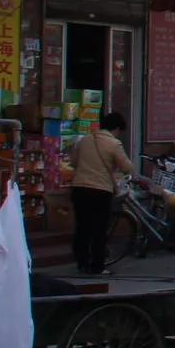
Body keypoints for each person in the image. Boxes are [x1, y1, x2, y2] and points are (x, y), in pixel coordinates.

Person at [67, 113, 134, 275]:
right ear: (116, 129)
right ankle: (97, 266)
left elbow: (73, 163)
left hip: (80, 188)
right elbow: (127, 168)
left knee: (82, 227)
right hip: (100, 190)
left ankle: (82, 263)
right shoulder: (114, 143)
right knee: (99, 229)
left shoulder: (84, 140)